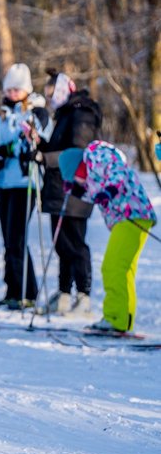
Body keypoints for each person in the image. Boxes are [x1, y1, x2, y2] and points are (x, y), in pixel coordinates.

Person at [60, 142, 156, 332]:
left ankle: (115, 319)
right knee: (123, 270)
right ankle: (123, 319)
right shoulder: (92, 174)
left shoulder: (97, 155)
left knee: (112, 267)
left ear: (77, 166)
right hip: (130, 216)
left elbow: (117, 170)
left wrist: (109, 190)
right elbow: (97, 195)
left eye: (75, 178)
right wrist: (77, 191)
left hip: (131, 215)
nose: (79, 182)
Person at [0, 63, 51, 310]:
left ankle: (27, 291)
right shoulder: (2, 114)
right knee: (8, 239)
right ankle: (12, 289)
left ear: (27, 89)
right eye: (9, 89)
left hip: (25, 182)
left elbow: (37, 137)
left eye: (17, 89)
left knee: (17, 236)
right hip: (3, 183)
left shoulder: (34, 111)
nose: (12, 93)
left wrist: (20, 147)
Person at [37, 70, 101, 317]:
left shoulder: (81, 113)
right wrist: (39, 147)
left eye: (52, 91)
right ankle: (64, 293)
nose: (49, 97)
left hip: (75, 190)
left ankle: (83, 296)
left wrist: (46, 157)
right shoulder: (63, 115)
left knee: (74, 242)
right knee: (60, 242)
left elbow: (77, 152)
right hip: (57, 188)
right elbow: (58, 148)